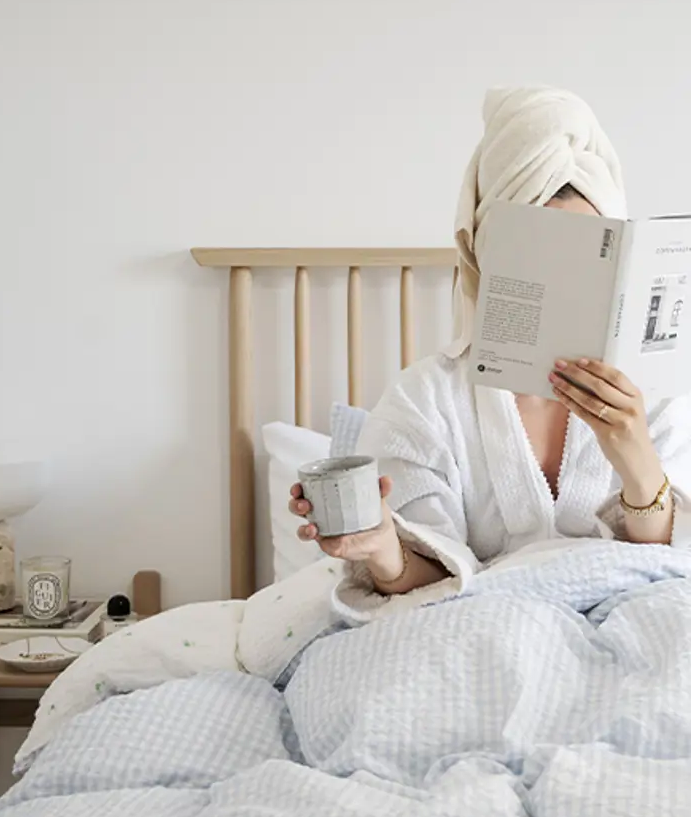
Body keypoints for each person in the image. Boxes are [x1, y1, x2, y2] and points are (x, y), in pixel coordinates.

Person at [289, 87, 691, 598]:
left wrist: (636, 457)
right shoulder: (425, 399)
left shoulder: (656, 394)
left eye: (588, 253)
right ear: (483, 251)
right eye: (539, 249)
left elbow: (668, 565)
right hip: (486, 636)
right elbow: (427, 585)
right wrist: (383, 549)